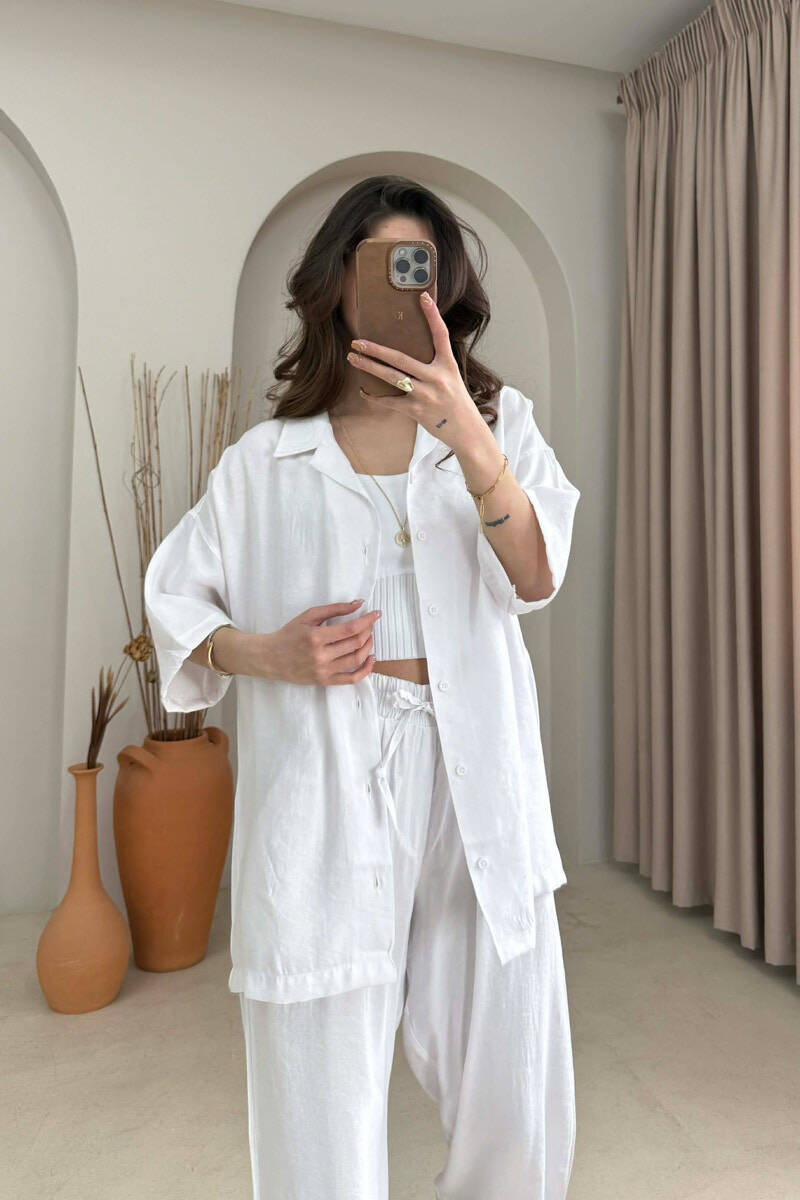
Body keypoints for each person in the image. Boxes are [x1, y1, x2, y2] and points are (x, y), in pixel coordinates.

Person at [144, 174, 580, 1200]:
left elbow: (534, 577)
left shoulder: (497, 424)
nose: (400, 286)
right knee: (315, 1069)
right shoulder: (265, 461)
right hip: (327, 779)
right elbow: (176, 604)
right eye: (380, 264)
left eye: (420, 267)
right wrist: (271, 655)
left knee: (512, 1073)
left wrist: (468, 439)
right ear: (337, 282)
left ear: (447, 288)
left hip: (475, 772)